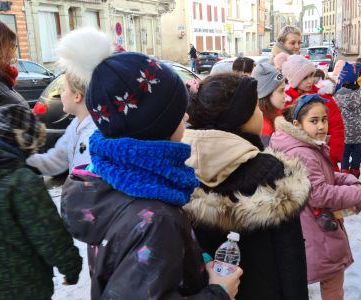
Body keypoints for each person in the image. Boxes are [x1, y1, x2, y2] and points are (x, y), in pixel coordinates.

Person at [59, 29, 242, 299]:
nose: (187, 115)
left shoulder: (110, 182)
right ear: (156, 126)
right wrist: (218, 292)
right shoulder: (155, 217)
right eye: (179, 112)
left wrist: (191, 264)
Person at [181, 73, 310, 300]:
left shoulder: (178, 169)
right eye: (255, 108)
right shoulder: (272, 173)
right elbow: (291, 259)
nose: (260, 113)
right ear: (241, 118)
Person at [0, 104, 82, 300]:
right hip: (24, 288)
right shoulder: (20, 181)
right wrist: (71, 267)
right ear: (22, 142)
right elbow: (49, 235)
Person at [269, 94, 361, 300]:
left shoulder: (305, 146)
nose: (322, 126)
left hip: (312, 224)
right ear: (298, 124)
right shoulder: (304, 151)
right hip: (317, 229)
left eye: (324, 119)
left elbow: (320, 176)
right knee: (332, 283)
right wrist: (355, 193)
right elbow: (318, 193)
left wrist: (346, 179)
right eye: (314, 121)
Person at [26, 30, 99, 175]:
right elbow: (55, 161)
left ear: (77, 96)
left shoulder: (96, 132)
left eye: (63, 89)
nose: (59, 94)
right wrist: (23, 161)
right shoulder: (75, 125)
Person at [280, 54, 345, 171]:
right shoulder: (286, 102)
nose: (310, 81)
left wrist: (333, 155)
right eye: (304, 78)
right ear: (294, 80)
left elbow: (336, 126)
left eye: (311, 76)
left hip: (324, 157)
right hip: (297, 160)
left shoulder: (324, 98)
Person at [334, 62, 361, 178]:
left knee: (345, 154)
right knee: (357, 152)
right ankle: (355, 173)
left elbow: (333, 116)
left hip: (344, 133)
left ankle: (344, 174)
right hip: (360, 132)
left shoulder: (337, 96)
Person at [252, 62, 286, 146]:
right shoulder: (264, 128)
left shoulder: (276, 113)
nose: (285, 95)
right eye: (281, 91)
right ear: (266, 94)